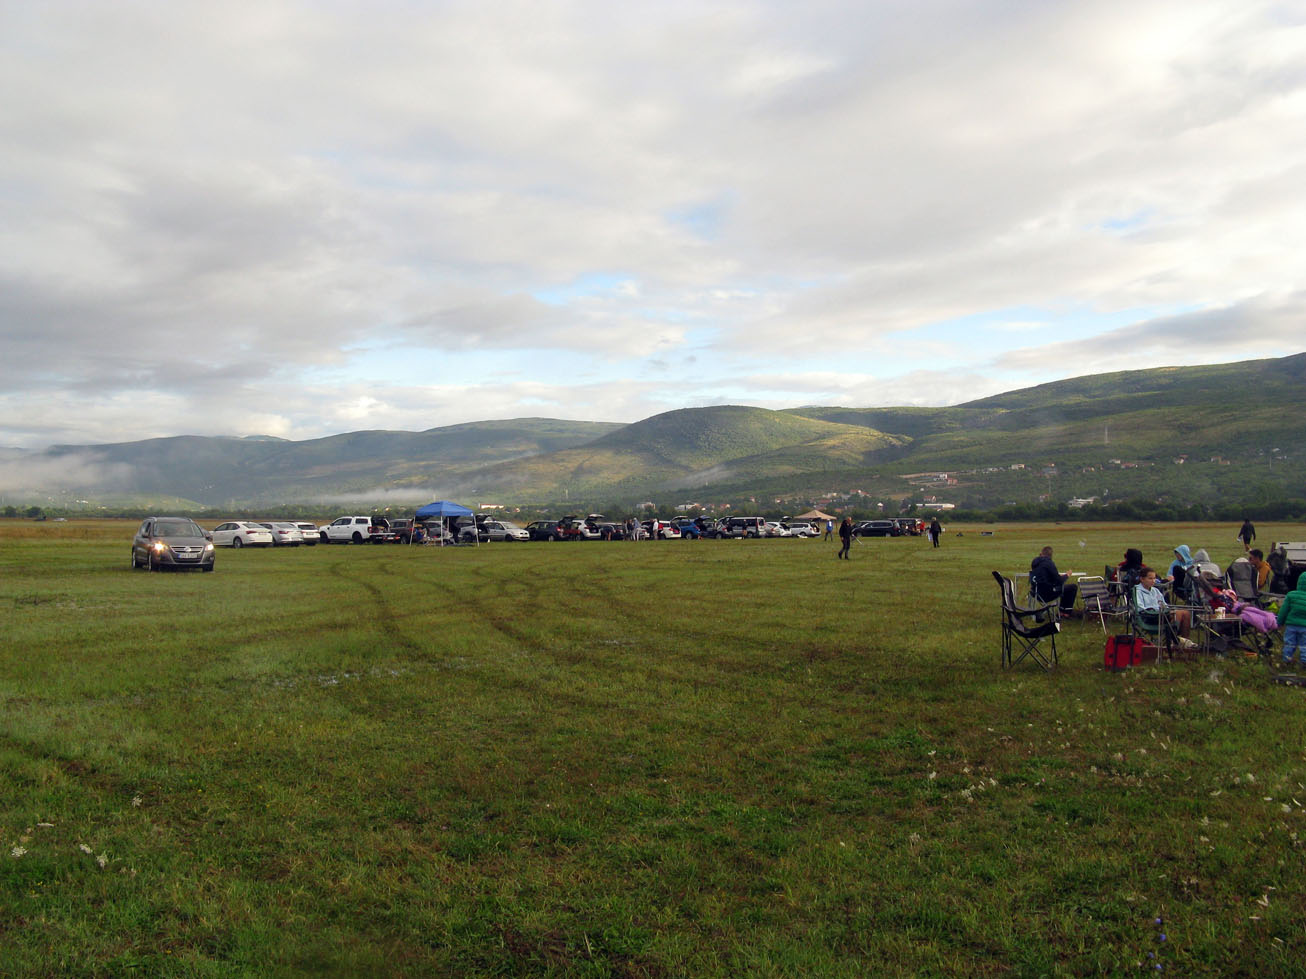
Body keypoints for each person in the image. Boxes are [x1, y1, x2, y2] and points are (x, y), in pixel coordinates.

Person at [1135, 566, 1192, 643]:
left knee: (1186, 613)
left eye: (1154, 578)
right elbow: (1140, 608)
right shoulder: (1137, 591)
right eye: (1150, 578)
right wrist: (1156, 611)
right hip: (1148, 616)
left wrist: (1166, 610)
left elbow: (1164, 605)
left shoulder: (1155, 590)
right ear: (1142, 579)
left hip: (1161, 615)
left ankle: (1185, 641)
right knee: (1178, 614)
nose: (1153, 581)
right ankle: (1175, 641)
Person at [1030, 546, 1079, 615]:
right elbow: (1059, 581)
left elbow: (1043, 576)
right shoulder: (1049, 563)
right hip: (1047, 594)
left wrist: (1057, 576)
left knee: (1065, 588)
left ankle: (1063, 611)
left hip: (1035, 592)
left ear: (1041, 554)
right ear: (1051, 555)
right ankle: (1065, 612)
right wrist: (1067, 575)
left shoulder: (1035, 563)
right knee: (1073, 587)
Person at [1276, 574, 1306, 669]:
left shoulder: (1291, 595)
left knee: (1289, 643)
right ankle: (1304, 661)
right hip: (1304, 627)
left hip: (1291, 626)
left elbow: (1284, 610)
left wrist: (1279, 622)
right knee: (1304, 645)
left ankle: (1286, 660)